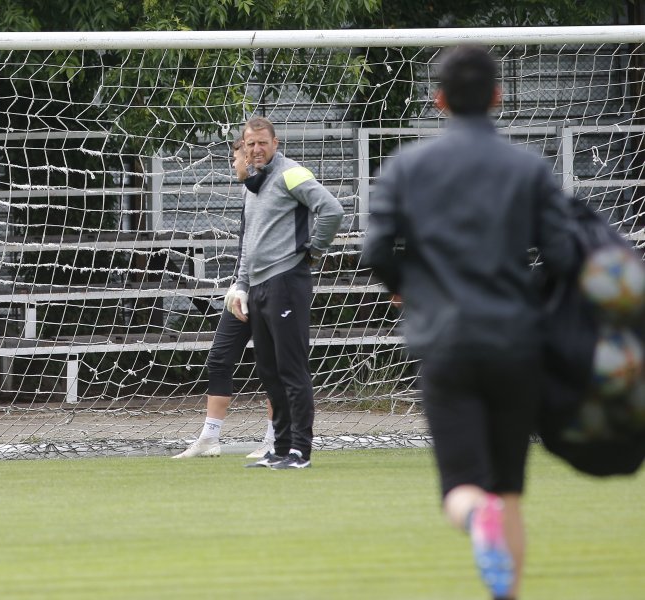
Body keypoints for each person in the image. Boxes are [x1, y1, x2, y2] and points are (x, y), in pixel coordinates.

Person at [362, 46, 577, 600]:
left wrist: (405, 289)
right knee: (508, 492)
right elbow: (563, 256)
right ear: (498, 97)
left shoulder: (407, 165)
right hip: (515, 343)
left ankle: (473, 514)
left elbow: (376, 247)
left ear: (438, 100)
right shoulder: (529, 167)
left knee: (464, 489)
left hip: (446, 341)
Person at [227, 117, 344, 470]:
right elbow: (249, 241)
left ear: (275, 144)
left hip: (286, 282)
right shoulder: (252, 184)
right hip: (259, 286)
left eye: (263, 143)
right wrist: (241, 284)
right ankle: (278, 449)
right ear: (244, 148)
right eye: (250, 144)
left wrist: (313, 251)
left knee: (292, 370)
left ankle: (299, 452)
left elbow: (332, 210)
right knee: (269, 371)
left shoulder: (292, 173)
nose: (256, 149)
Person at [173, 138, 275, 459]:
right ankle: (209, 438)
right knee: (219, 357)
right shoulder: (248, 192)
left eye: (235, 159)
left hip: (274, 289)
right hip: (244, 288)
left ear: (250, 158)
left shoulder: (277, 190)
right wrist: (239, 284)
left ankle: (276, 439)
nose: (233, 165)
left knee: (274, 366)